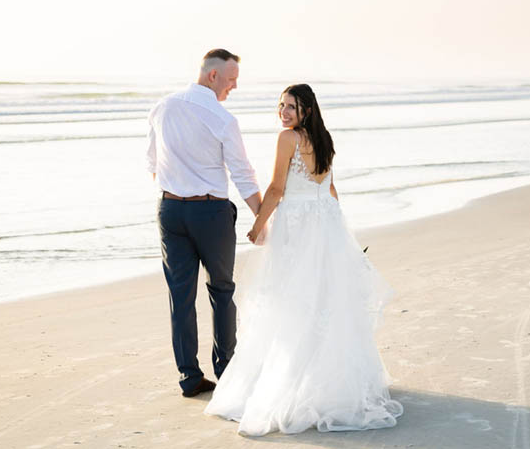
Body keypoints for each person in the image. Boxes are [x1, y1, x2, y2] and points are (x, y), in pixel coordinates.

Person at [204, 84, 403, 435]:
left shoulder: (288, 139)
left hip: (297, 227)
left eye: (292, 107)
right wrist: (338, 229)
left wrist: (258, 224)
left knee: (290, 303)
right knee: (323, 301)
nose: (284, 112)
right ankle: (330, 384)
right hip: (323, 224)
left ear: (306, 111)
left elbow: (278, 188)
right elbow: (329, 189)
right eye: (281, 105)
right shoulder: (324, 139)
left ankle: (292, 385)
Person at [146, 48, 262, 398]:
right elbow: (243, 174)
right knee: (222, 290)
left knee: (180, 296)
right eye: (231, 80)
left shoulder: (161, 107)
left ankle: (189, 377)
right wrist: (263, 218)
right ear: (213, 76)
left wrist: (177, 188)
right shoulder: (223, 119)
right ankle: (226, 370)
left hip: (169, 211)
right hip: (210, 214)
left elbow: (151, 162)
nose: (234, 87)